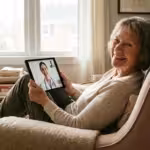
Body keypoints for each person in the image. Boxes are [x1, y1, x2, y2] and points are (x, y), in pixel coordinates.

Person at [0, 16, 150, 132]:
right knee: (31, 80)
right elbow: (95, 105)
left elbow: (77, 124)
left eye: (128, 44)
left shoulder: (121, 88)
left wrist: (44, 101)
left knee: (25, 82)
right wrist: (71, 90)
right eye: (116, 41)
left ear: (143, 52)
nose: (117, 49)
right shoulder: (118, 73)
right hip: (68, 108)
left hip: (64, 127)